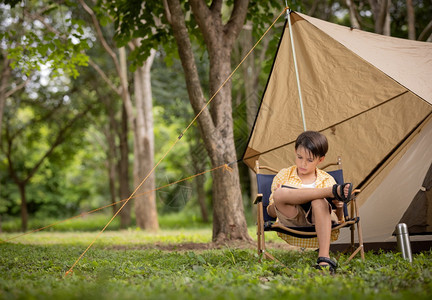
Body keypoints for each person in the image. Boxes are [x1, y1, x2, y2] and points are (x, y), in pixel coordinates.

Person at [266, 131, 353, 273]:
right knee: (280, 193)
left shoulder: (326, 179)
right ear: (295, 152)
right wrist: (279, 198)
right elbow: (270, 211)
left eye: (309, 160)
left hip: (319, 218)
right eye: (299, 157)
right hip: (294, 217)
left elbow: (339, 218)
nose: (303, 163)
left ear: (321, 159)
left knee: (318, 201)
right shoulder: (284, 175)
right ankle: (329, 192)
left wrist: (339, 206)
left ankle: (324, 258)